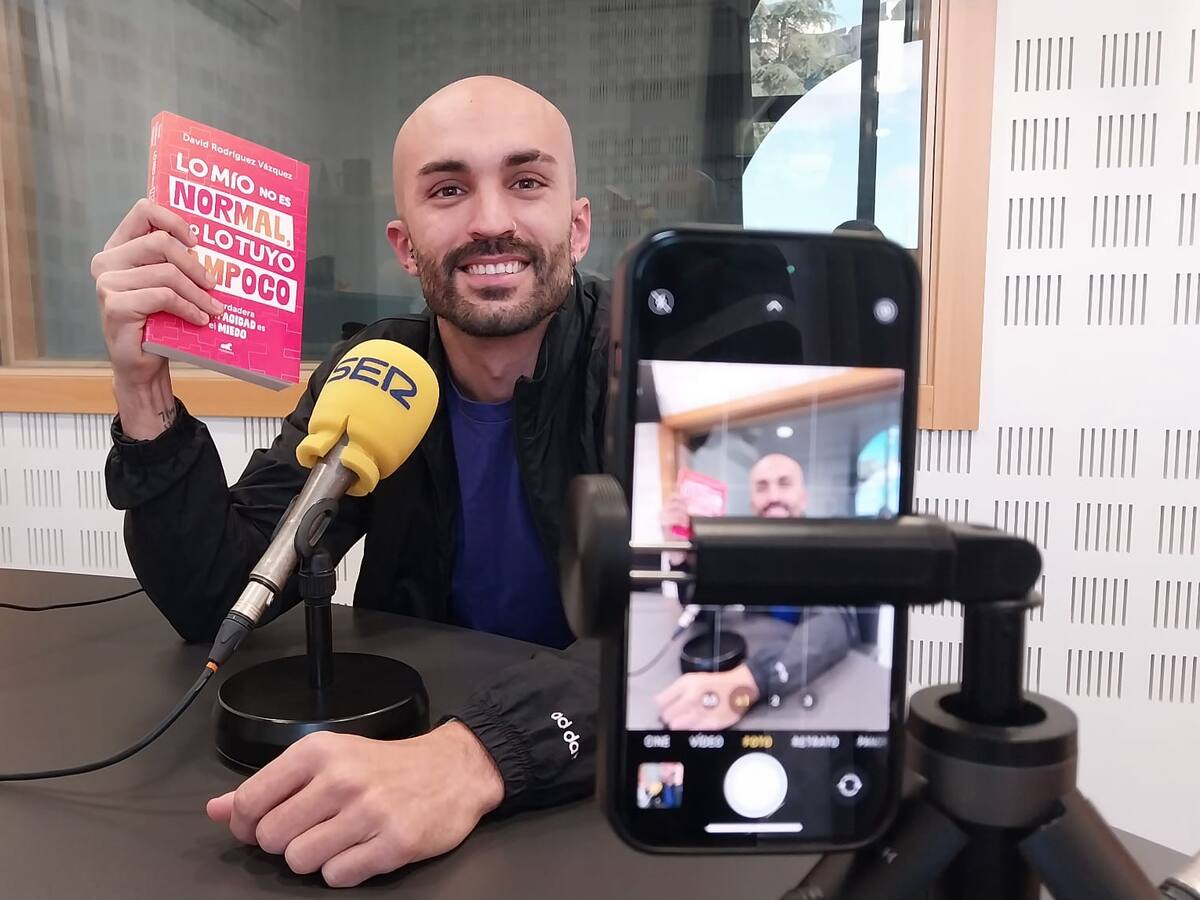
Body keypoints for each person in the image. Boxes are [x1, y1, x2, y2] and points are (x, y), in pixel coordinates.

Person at [93, 76, 608, 887]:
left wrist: (473, 758)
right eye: (448, 190)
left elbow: (708, 634)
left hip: (594, 790)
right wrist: (142, 387)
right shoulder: (372, 368)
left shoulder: (650, 368)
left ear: (577, 228)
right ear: (405, 245)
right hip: (401, 761)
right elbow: (214, 594)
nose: (490, 220)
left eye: (526, 181)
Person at [655, 452, 855, 730]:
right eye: (762, 487)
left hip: (807, 697)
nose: (773, 496)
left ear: (804, 498)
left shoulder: (827, 549)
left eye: (784, 484)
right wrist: (681, 556)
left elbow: (834, 625)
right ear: (752, 502)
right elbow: (701, 608)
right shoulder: (741, 547)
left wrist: (749, 683)